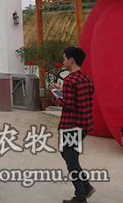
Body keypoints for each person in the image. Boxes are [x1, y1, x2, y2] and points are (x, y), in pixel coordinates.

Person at [51, 47, 96, 203]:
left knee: (71, 160)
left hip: (71, 126)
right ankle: (86, 186)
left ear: (71, 60)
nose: (64, 61)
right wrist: (63, 90)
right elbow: (78, 97)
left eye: (65, 58)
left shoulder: (70, 80)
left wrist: (57, 95)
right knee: (68, 154)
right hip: (84, 125)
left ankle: (80, 196)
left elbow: (68, 103)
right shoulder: (86, 78)